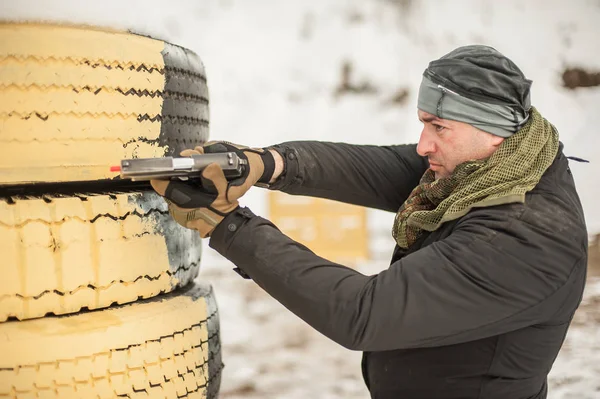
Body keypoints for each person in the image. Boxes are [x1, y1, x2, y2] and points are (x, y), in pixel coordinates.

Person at [150, 45, 588, 399]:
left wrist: (228, 226)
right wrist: (264, 163)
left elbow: (363, 313)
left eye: (438, 127)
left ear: (491, 129)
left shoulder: (527, 235)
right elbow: (373, 168)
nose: (422, 145)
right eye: (423, 125)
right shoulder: (497, 165)